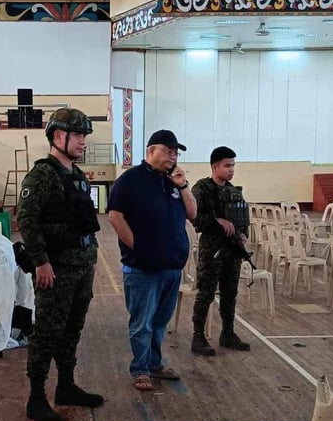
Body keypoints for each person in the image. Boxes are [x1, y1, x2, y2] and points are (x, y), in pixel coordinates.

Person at [16, 108, 104, 421]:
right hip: (55, 269)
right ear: (58, 137)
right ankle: (36, 397)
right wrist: (41, 261)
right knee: (47, 333)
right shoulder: (43, 175)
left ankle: (65, 385)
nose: (83, 142)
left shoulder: (75, 175)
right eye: (78, 136)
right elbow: (27, 219)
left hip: (81, 268)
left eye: (84, 136)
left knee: (72, 329)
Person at [107, 130, 197, 391]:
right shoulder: (130, 181)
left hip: (172, 266)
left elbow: (192, 213)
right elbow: (115, 217)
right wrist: (140, 248)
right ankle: (140, 369)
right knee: (142, 322)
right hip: (143, 268)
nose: (173, 156)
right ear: (150, 152)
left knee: (159, 321)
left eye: (175, 153)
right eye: (168, 151)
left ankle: (155, 363)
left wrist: (183, 185)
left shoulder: (172, 182)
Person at [190, 146, 252, 355]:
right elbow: (195, 217)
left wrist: (243, 234)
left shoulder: (234, 192)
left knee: (230, 293)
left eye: (233, 165)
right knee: (206, 293)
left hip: (232, 250)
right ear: (214, 166)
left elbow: (242, 218)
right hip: (212, 249)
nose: (231, 170)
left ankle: (228, 333)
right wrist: (217, 221)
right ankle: (198, 336)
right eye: (227, 166)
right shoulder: (202, 189)